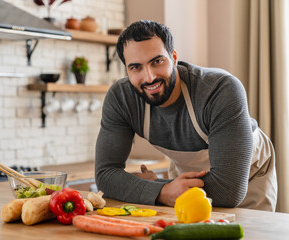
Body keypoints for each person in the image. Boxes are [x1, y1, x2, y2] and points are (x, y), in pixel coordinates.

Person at [95, 20, 277, 211]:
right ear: (127, 71)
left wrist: (155, 187)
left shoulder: (220, 89)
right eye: (136, 67)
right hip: (186, 174)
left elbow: (228, 190)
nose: (149, 77)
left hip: (247, 174)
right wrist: (164, 190)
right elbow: (105, 176)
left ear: (173, 58)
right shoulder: (121, 98)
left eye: (157, 61)